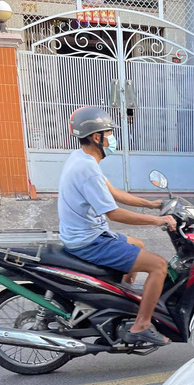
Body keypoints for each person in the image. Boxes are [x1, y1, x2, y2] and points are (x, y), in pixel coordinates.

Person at [58, 106, 176, 346]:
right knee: (158, 266)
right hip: (90, 241)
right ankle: (141, 326)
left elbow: (115, 193)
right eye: (109, 133)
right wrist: (158, 220)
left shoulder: (80, 158)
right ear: (96, 137)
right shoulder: (87, 168)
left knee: (138, 244)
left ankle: (119, 302)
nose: (113, 138)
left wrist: (152, 204)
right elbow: (114, 213)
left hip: (86, 234)